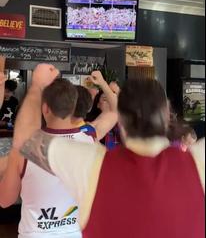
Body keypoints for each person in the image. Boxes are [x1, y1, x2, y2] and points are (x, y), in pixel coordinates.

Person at [12, 64, 205, 238]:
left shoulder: (93, 165)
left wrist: (37, 87)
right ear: (167, 112)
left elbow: (24, 140)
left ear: (120, 120)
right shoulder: (198, 163)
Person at [0, 69, 118, 238]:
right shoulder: (90, 137)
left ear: (45, 108)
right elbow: (114, 111)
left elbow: (5, 201)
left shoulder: (25, 150)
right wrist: (102, 83)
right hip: (77, 233)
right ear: (73, 107)